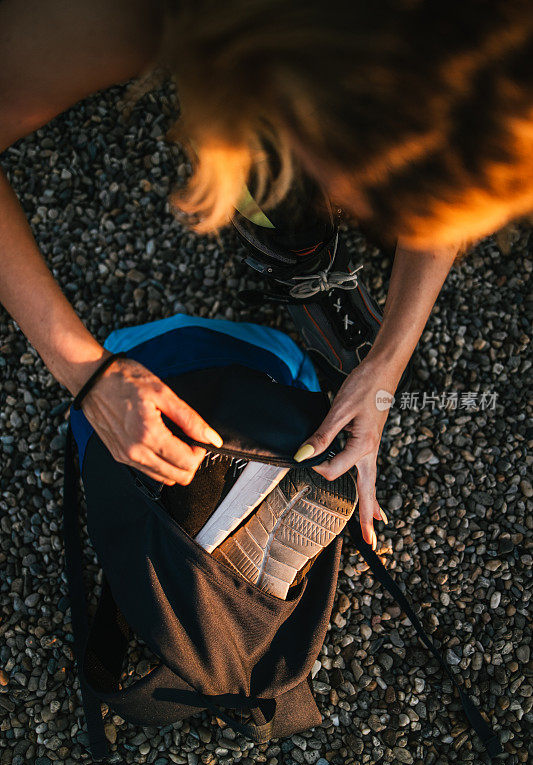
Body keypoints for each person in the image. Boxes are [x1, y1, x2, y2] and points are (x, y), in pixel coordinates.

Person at [0, 0, 532, 550]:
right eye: (373, 209)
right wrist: (85, 371)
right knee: (282, 198)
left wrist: (385, 366)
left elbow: (441, 169)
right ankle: (294, 248)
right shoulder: (119, 21)